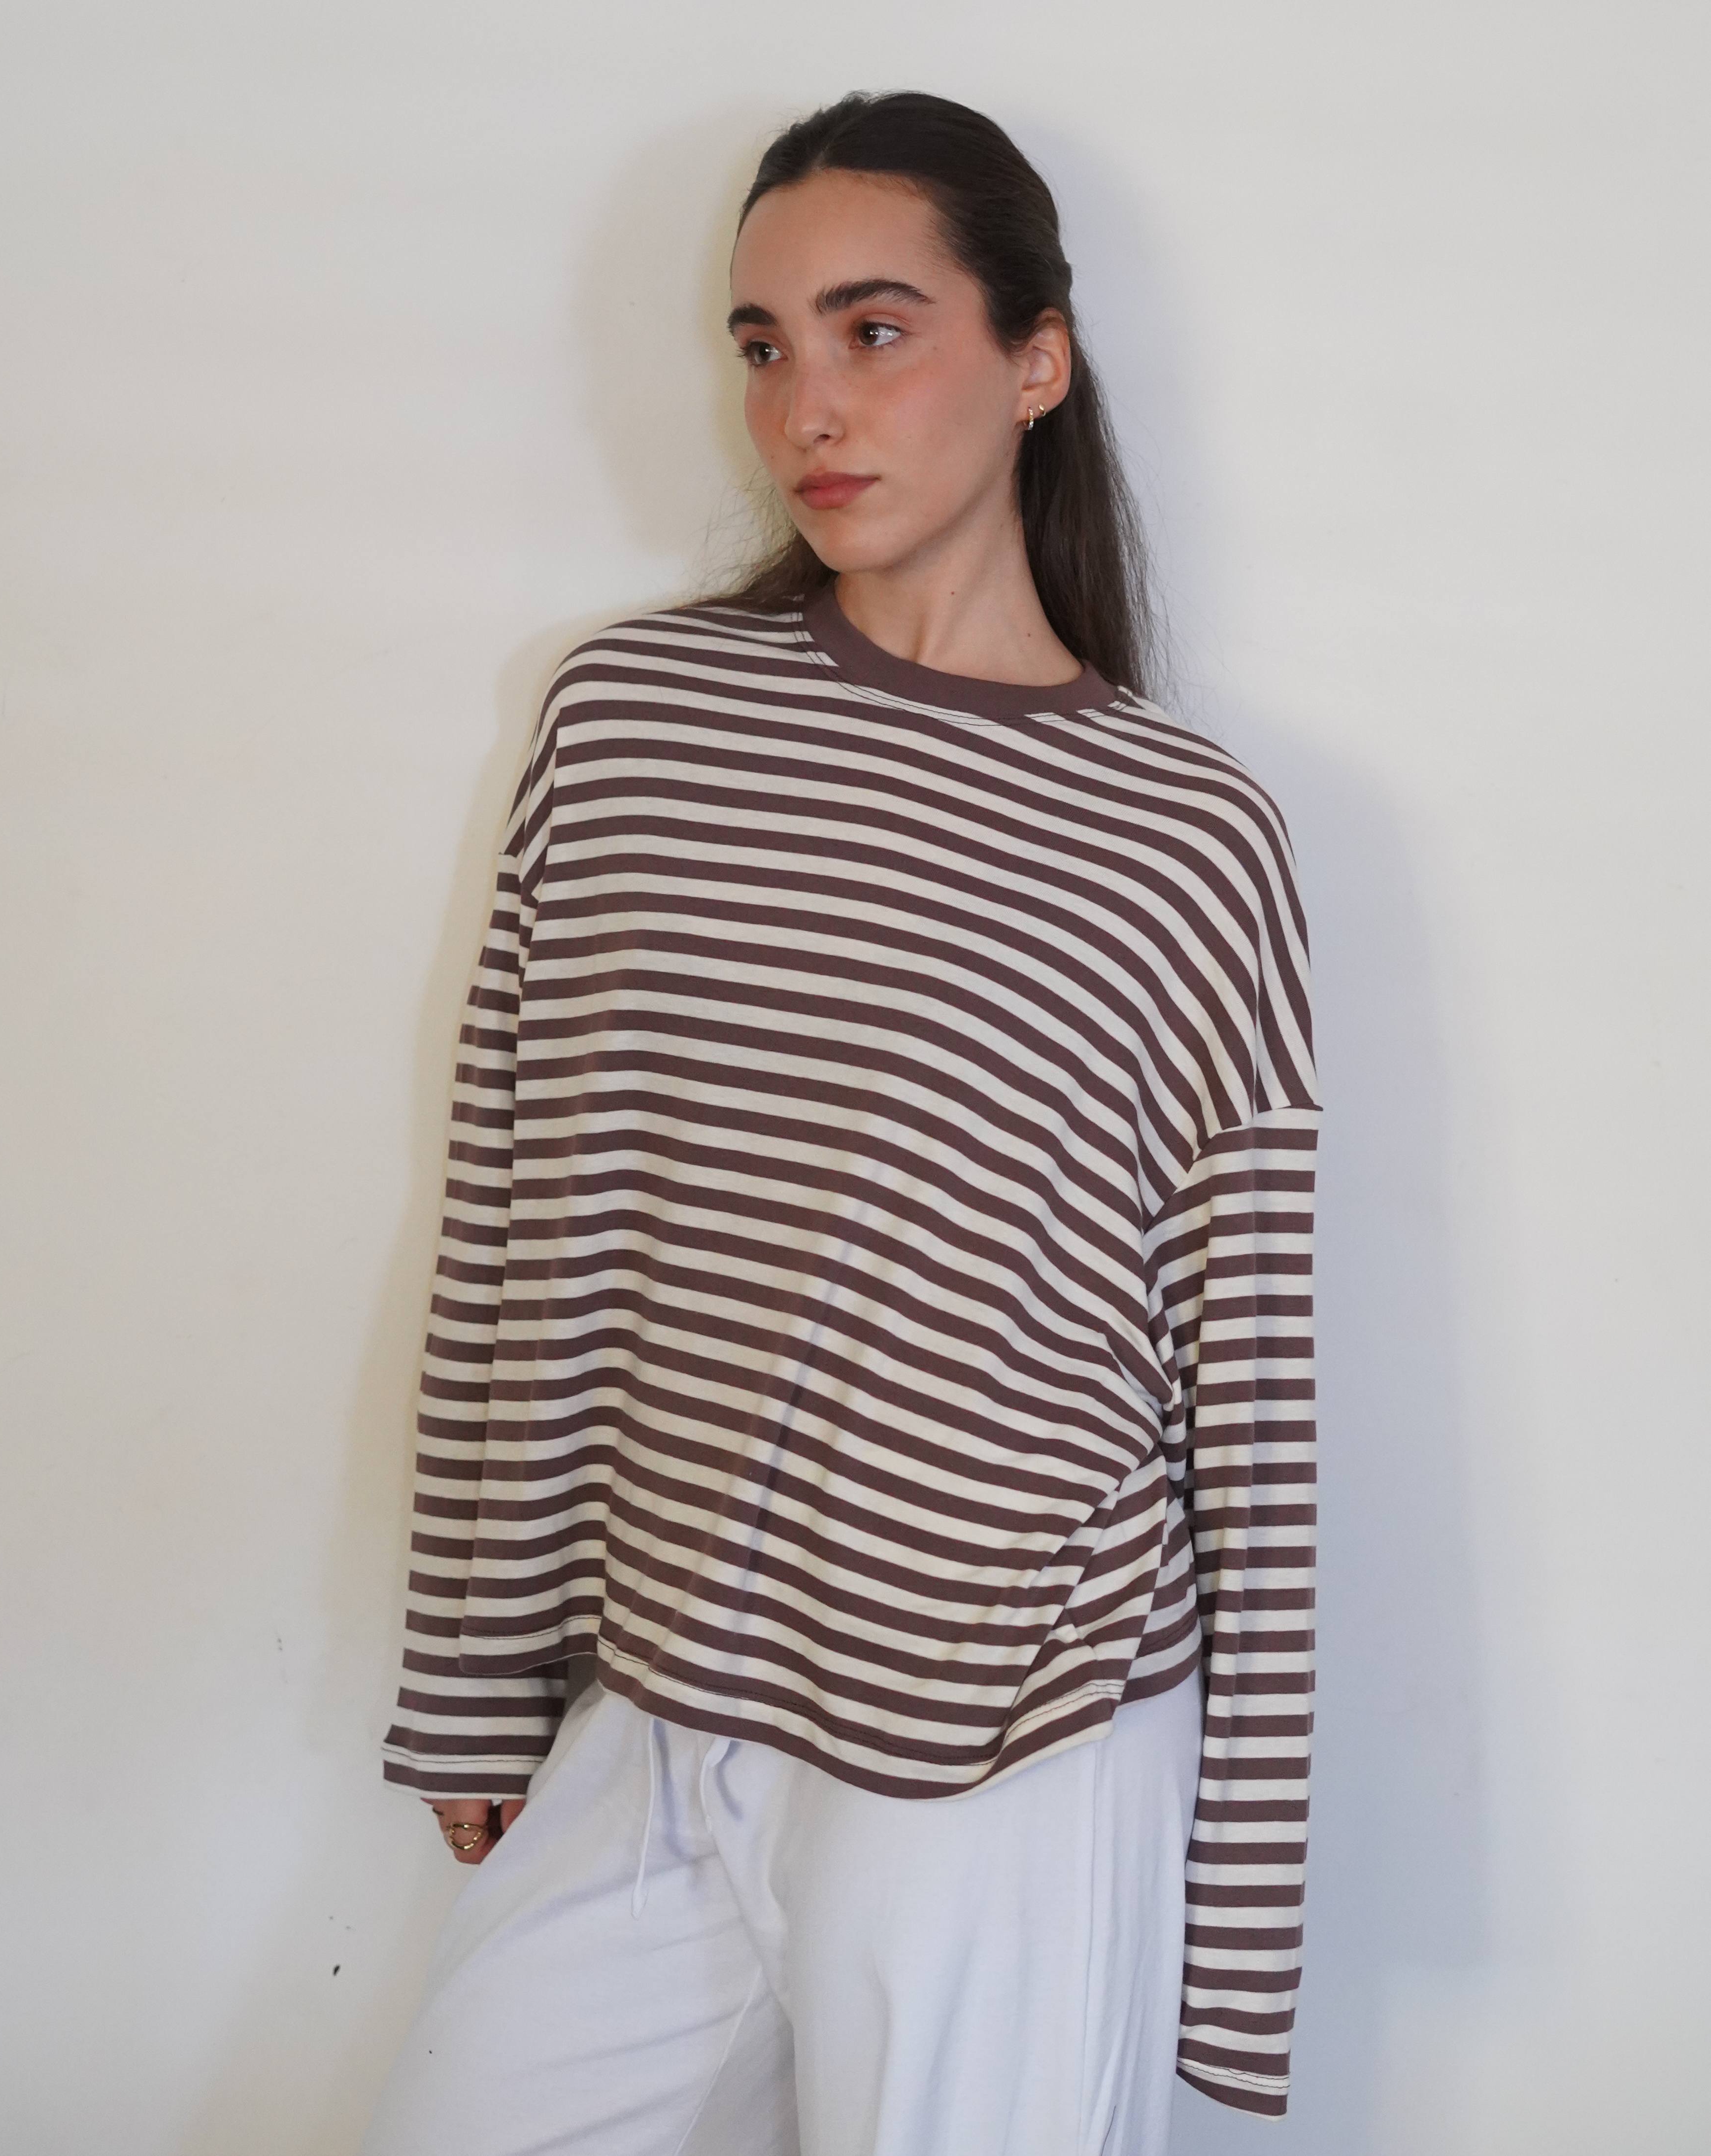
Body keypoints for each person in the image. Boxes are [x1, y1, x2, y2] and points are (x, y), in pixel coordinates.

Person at [363, 89, 1319, 2156]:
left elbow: (1245, 1388)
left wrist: (1239, 1926)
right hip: (666, 1693)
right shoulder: (629, 723)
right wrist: (471, 1663)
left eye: (875, 330)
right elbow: (522, 1223)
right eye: (762, 342)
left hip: (1011, 1731)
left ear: (1035, 360)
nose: (806, 403)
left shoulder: (1181, 832)